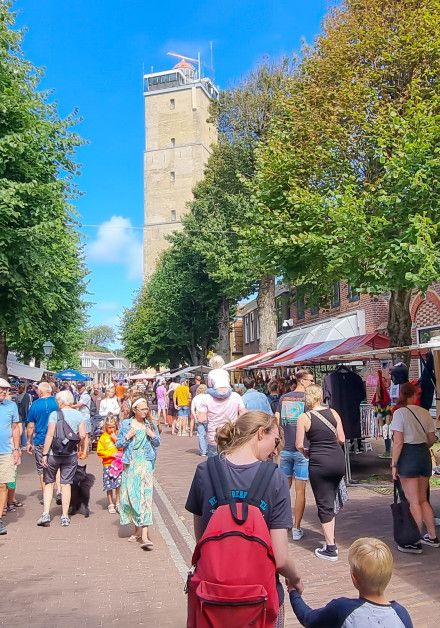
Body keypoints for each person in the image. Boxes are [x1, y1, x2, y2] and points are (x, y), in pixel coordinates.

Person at [185, 411, 303, 626]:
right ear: (260, 434)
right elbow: (281, 558)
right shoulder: (275, 478)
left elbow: (202, 540)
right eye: (276, 440)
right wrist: (295, 579)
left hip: (211, 597)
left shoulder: (204, 471)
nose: (276, 450)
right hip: (259, 598)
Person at [289, 537, 413, 627]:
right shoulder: (401, 614)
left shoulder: (342, 609)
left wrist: (293, 592)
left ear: (354, 578)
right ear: (389, 576)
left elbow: (308, 619)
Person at [296, 384, 346, 561]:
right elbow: (341, 438)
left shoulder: (304, 417)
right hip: (338, 461)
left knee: (324, 504)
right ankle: (330, 537)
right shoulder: (334, 413)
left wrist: (306, 452)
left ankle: (330, 548)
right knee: (330, 500)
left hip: (319, 463)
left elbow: (299, 445)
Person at [390, 382, 438, 553]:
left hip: (408, 456)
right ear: (415, 395)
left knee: (413, 501)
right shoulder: (425, 413)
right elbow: (432, 439)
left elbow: (398, 442)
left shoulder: (399, 414)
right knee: (424, 499)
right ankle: (432, 536)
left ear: (402, 394)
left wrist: (394, 464)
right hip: (423, 455)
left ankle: (414, 538)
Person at [37, 390, 86, 527]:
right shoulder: (79, 415)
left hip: (54, 453)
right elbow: (82, 435)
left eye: (58, 400)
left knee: (49, 483)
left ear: (62, 401)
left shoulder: (55, 414)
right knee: (66, 484)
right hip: (70, 454)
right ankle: (64, 516)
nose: (57, 402)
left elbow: (50, 435)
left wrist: (45, 454)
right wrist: (79, 448)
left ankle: (46, 513)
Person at [275, 369, 315, 541]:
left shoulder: (284, 398)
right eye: (310, 380)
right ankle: (297, 527)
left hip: (285, 449)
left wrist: (279, 442)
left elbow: (276, 420)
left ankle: (282, 524)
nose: (312, 383)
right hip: (302, 449)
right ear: (301, 380)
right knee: (301, 491)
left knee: (283, 489)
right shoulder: (308, 400)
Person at [116, 397, 160, 550]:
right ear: (134, 410)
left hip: (146, 463)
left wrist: (152, 435)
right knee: (132, 497)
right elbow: (119, 444)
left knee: (145, 497)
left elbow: (157, 442)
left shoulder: (150, 424)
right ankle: (137, 530)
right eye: (142, 409)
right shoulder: (126, 424)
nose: (145, 412)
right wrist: (127, 436)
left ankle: (145, 535)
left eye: (146, 409)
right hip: (131, 464)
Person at [26, 382, 60, 501]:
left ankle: (46, 494)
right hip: (57, 439)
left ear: (41, 391)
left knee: (42, 468)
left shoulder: (35, 405)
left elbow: (30, 425)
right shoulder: (57, 402)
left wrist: (29, 441)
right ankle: (59, 490)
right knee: (58, 465)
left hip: (41, 439)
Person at [205, 369, 246, 457]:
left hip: (214, 436)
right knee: (231, 465)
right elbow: (243, 414)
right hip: (231, 434)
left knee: (213, 466)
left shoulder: (206, 398)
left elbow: (202, 418)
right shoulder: (236, 396)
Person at [0, 378, 21, 536]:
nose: (2, 391)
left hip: (6, 451)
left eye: (4, 389)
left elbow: (15, 428)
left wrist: (16, 448)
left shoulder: (11, 406)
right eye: (0, 389)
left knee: (3, 484)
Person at [97, 415, 121, 514]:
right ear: (106, 427)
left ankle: (118, 502)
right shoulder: (103, 438)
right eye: (109, 427)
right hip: (107, 464)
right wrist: (110, 454)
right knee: (109, 484)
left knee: (119, 484)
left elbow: (122, 447)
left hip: (118, 464)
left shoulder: (118, 435)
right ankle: (110, 503)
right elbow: (99, 451)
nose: (111, 429)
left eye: (113, 427)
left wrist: (115, 439)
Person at [190, 384, 210, 456]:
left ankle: (203, 451)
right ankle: (208, 449)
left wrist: (195, 417)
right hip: (207, 417)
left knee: (201, 435)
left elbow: (192, 409)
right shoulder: (208, 397)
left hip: (198, 417)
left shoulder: (195, 398)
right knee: (208, 434)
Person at [73, 382, 92, 456]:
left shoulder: (86, 396)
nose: (79, 389)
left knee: (85, 435)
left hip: (85, 417)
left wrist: (69, 405)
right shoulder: (79, 395)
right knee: (79, 434)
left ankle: (84, 452)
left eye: (80, 388)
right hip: (80, 416)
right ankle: (80, 450)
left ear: (84, 387)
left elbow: (80, 404)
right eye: (78, 388)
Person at [15, 383, 32, 448]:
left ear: (19, 389)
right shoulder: (28, 396)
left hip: (20, 415)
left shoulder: (17, 398)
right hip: (27, 414)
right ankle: (28, 443)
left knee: (21, 430)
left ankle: (23, 444)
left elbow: (16, 408)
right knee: (29, 429)